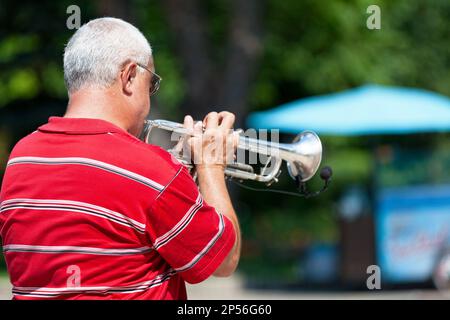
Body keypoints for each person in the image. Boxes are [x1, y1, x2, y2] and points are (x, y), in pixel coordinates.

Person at [0, 17, 241, 300]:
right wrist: (211, 166)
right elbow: (224, 260)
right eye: (150, 84)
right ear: (128, 76)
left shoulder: (21, 157)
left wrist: (177, 182)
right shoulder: (151, 171)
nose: (149, 101)